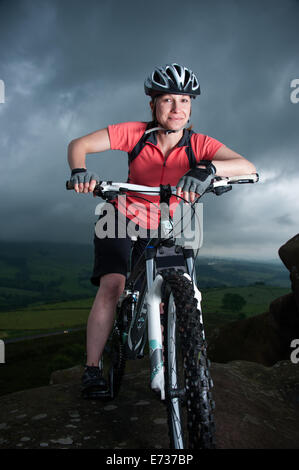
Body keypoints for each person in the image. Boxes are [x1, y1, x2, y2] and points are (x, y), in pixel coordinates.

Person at [67, 63, 256, 396]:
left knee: (175, 290)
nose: (177, 109)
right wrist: (80, 170)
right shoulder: (136, 133)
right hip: (122, 214)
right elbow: (79, 144)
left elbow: (247, 166)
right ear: (152, 104)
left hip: (173, 221)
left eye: (184, 100)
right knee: (113, 285)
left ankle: (174, 361)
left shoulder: (199, 144)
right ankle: (93, 369)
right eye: (168, 100)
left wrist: (208, 170)